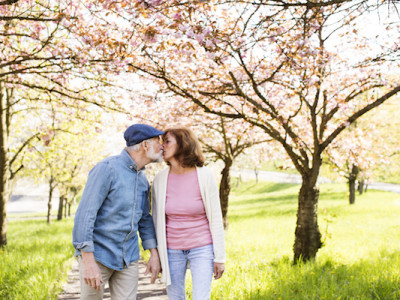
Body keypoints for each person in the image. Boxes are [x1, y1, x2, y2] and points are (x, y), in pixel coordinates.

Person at [73, 124, 164, 300]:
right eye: (158, 141)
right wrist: (88, 261)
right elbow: (85, 215)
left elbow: (144, 219)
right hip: (98, 255)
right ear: (145, 145)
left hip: (128, 257)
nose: (162, 146)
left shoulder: (143, 178)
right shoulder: (107, 169)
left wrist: (154, 253)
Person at [151, 127, 226, 300]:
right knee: (175, 297)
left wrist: (220, 257)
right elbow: (156, 221)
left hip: (202, 247)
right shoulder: (160, 179)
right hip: (171, 250)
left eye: (167, 141)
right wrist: (157, 254)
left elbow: (215, 218)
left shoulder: (205, 175)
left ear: (183, 145)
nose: (162, 146)